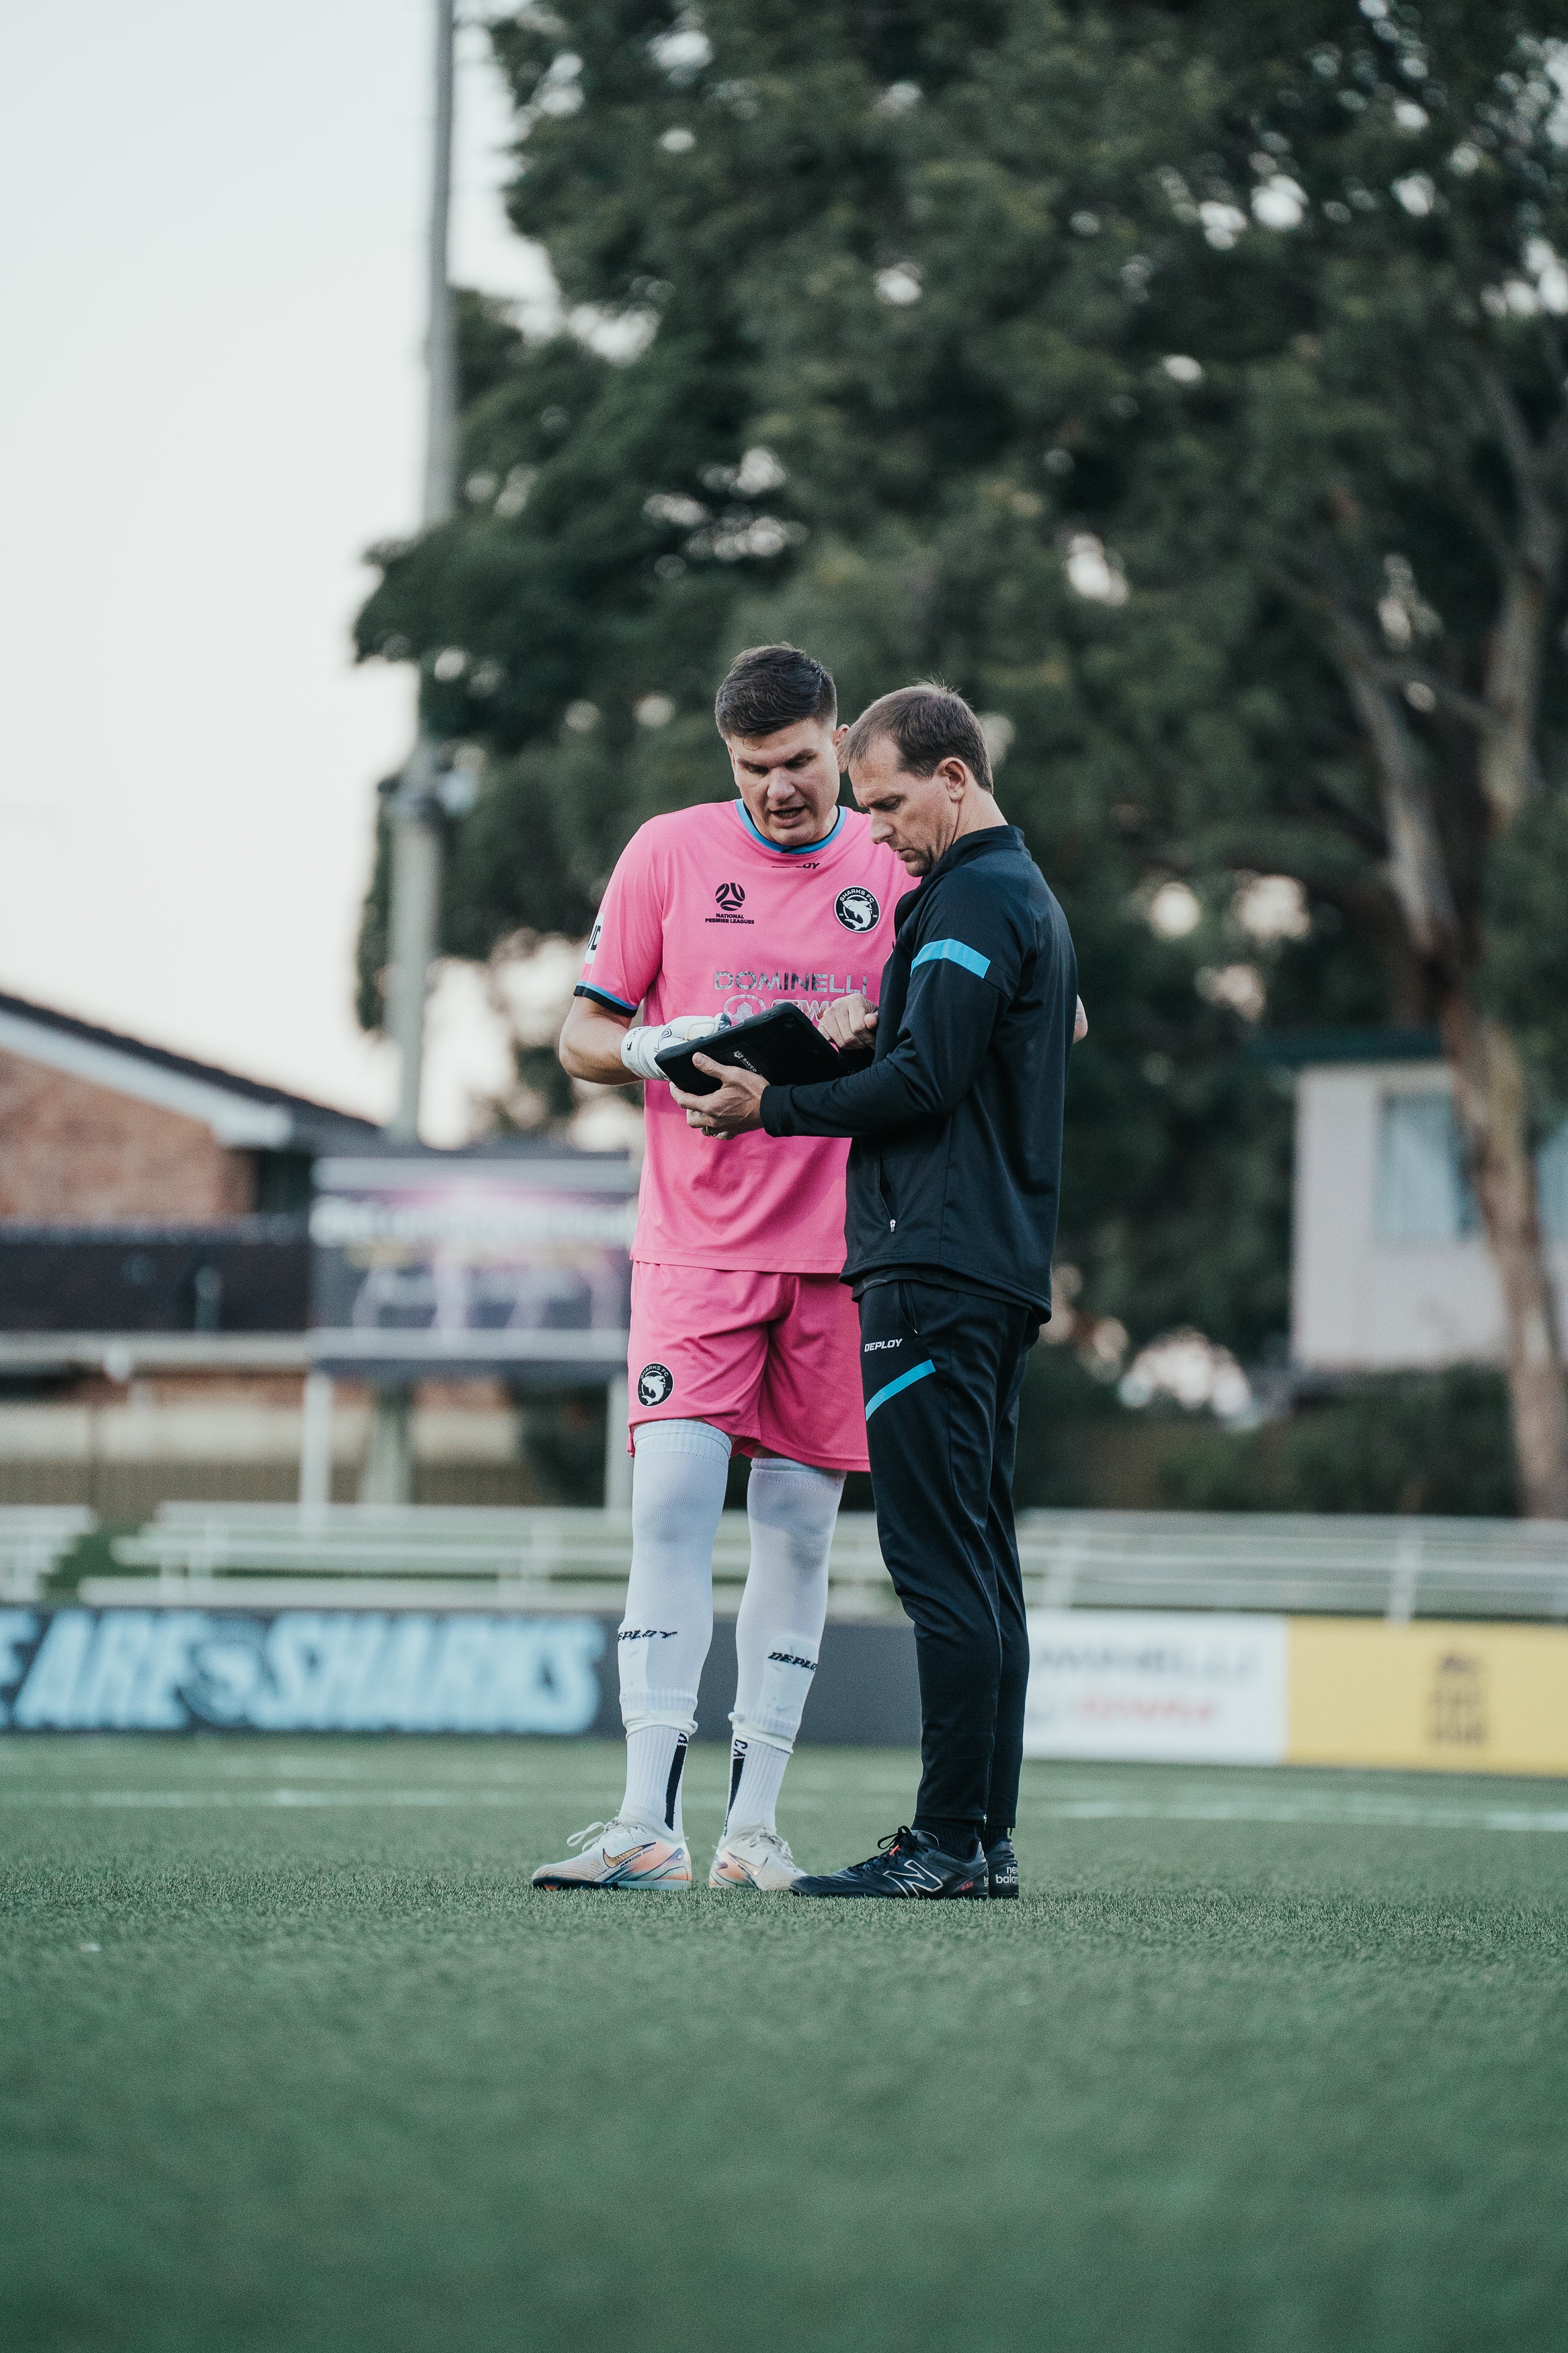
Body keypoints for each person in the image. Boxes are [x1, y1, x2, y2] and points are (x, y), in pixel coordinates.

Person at [673, 684, 1079, 1901]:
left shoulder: (973, 897)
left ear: (955, 777)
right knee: (979, 1560)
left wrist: (774, 1102)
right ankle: (982, 1841)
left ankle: (946, 1841)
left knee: (938, 1564)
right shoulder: (1010, 899)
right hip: (988, 1267)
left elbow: (926, 1084)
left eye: (892, 804)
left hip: (933, 1266)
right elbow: (947, 1052)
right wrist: (866, 1040)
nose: (881, 831)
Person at [532, 645, 915, 1894]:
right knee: (668, 1514)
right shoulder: (667, 852)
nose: (780, 792)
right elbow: (580, 1031)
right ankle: (646, 1819)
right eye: (755, 770)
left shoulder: (894, 859)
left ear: (837, 740)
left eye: (801, 764)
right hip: (695, 1247)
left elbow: (971, 1018)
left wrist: (869, 1033)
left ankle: (752, 1829)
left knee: (798, 1535)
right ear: (727, 760)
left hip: (838, 1256)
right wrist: (655, 1047)